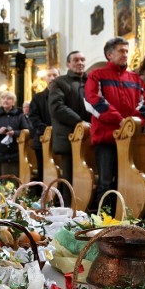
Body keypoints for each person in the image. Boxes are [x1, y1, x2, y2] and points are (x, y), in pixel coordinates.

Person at [85, 37, 145, 214]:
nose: (125, 54)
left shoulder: (136, 79)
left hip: (129, 140)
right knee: (106, 182)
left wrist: (131, 124)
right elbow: (94, 101)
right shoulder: (97, 76)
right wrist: (121, 121)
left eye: (126, 51)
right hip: (106, 138)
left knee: (124, 182)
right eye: (121, 51)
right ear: (109, 54)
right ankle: (101, 222)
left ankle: (120, 219)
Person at [49, 50, 90, 204]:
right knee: (70, 178)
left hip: (88, 138)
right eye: (76, 60)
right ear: (68, 64)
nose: (80, 62)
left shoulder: (91, 81)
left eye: (82, 59)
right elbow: (57, 107)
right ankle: (68, 211)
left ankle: (85, 210)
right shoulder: (59, 82)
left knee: (88, 178)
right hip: (68, 139)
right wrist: (79, 122)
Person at [0, 91, 29, 177]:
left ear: (13, 102)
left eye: (9, 98)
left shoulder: (19, 114)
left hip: (14, 153)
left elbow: (27, 131)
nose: (5, 100)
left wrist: (15, 133)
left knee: (12, 182)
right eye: (3, 98)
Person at [29, 67, 59, 183]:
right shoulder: (38, 97)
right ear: (45, 78)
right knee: (43, 170)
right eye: (49, 75)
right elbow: (33, 117)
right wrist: (47, 130)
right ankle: (43, 196)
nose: (52, 78)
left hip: (60, 138)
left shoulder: (65, 95)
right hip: (41, 139)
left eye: (55, 75)